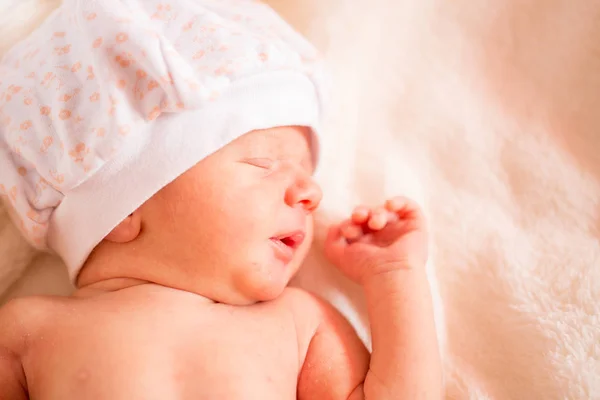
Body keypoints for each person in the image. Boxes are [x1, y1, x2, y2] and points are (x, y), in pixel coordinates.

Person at [0, 0, 442, 398]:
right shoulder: (26, 331)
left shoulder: (297, 324)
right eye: (263, 162)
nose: (311, 192)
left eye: (307, 172)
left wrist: (395, 276)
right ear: (125, 209)